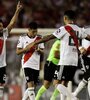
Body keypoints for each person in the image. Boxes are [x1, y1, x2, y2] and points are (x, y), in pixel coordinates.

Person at [25, 10, 90, 100]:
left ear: (65, 18)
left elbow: (49, 37)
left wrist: (35, 42)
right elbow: (88, 37)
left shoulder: (64, 28)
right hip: (74, 62)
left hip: (65, 60)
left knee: (56, 83)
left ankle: (73, 97)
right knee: (64, 84)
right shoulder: (79, 29)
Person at [16, 21, 44, 100]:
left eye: (36, 31)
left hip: (36, 65)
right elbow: (18, 52)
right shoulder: (22, 38)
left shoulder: (39, 38)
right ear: (28, 29)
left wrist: (38, 50)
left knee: (33, 87)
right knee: (30, 86)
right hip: (27, 63)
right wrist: (26, 49)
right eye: (33, 31)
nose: (34, 33)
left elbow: (42, 52)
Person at [0, 1, 22, 99]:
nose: (1, 28)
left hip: (2, 65)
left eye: (1, 26)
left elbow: (12, 23)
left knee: (1, 86)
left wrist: (17, 11)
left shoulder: (4, 34)